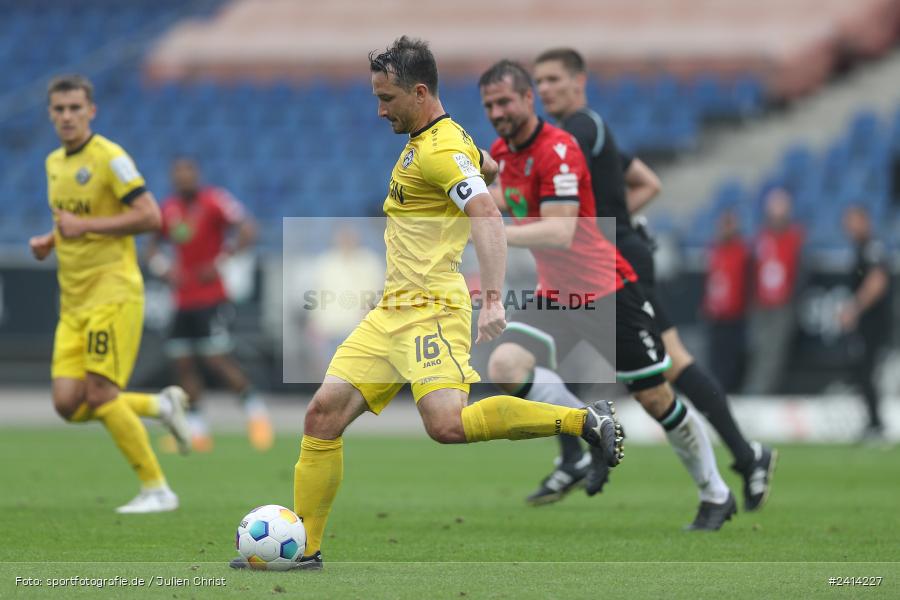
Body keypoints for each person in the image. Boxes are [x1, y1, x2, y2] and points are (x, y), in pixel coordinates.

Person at [229, 36, 622, 571]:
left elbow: (485, 211)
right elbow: (487, 169)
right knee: (321, 415)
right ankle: (304, 550)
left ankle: (582, 422)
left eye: (387, 98)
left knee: (446, 426)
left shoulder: (438, 151)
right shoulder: (439, 139)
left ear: (419, 92)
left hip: (432, 311)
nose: (379, 109)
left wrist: (491, 300)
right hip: (390, 311)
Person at [481, 59, 735, 530]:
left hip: (606, 291)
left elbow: (560, 231)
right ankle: (589, 427)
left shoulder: (560, 149)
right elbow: (503, 199)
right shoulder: (503, 151)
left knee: (657, 399)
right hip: (558, 295)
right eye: (489, 105)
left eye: (505, 101)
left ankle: (715, 493)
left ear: (528, 99)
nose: (497, 112)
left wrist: (490, 233)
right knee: (505, 366)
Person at [530, 48, 775, 511]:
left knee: (589, 359)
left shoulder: (577, 130)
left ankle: (582, 455)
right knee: (670, 360)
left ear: (579, 81)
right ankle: (746, 455)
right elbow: (649, 182)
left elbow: (547, 179)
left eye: (553, 79)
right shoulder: (593, 132)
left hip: (611, 261)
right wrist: (620, 220)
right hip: (621, 251)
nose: (544, 89)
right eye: (538, 81)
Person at [29, 74, 190, 514]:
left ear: (91, 111)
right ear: (50, 113)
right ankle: (158, 405)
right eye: (59, 109)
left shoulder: (111, 157)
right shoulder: (53, 164)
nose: (67, 116)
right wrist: (52, 239)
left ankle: (157, 489)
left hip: (112, 292)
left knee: (100, 394)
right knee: (69, 404)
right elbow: (73, 224)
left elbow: (150, 216)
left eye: (75, 108)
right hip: (73, 301)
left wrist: (85, 228)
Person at [147, 157, 272, 452]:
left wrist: (222, 259)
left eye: (188, 172)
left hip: (211, 295)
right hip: (182, 297)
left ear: (197, 174)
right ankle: (198, 430)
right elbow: (152, 243)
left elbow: (247, 228)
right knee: (183, 362)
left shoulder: (214, 200)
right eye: (178, 173)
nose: (183, 178)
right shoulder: (168, 208)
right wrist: (162, 267)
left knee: (216, 359)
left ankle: (257, 414)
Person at [743, 187, 804, 395]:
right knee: (757, 347)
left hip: (782, 303)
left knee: (774, 351)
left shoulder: (795, 237)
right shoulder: (762, 237)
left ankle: (762, 392)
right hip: (761, 302)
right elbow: (752, 269)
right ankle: (756, 389)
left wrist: (792, 297)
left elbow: (800, 270)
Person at [839, 204, 891, 443]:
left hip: (874, 322)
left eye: (853, 221)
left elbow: (877, 281)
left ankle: (876, 424)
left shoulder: (872, 248)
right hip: (867, 321)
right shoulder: (861, 248)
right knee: (862, 372)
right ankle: (872, 422)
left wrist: (855, 308)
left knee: (867, 370)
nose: (849, 227)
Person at [702, 210, 751, 393]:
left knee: (733, 357)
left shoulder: (742, 252)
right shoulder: (714, 250)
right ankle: (717, 390)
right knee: (715, 357)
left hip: (735, 314)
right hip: (716, 314)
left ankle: (731, 391)